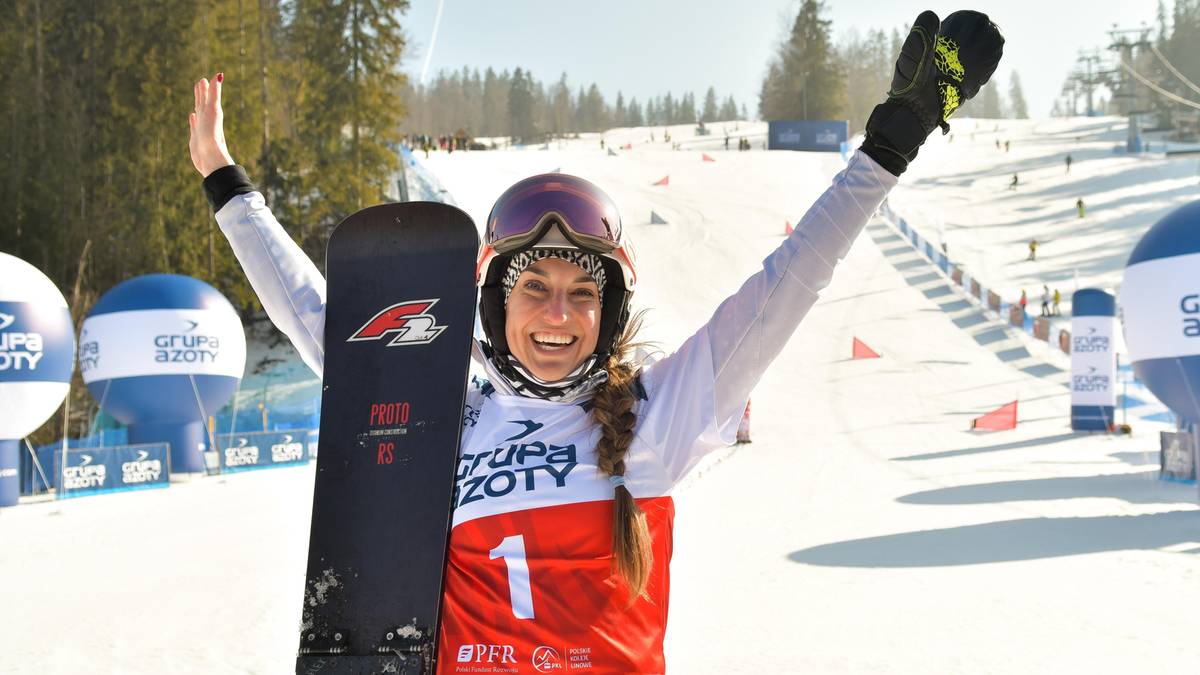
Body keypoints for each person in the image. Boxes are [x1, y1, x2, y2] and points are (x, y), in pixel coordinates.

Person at [188, 10, 1002, 672]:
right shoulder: (440, 412)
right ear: (494, 300)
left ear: (608, 315)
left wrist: (891, 143)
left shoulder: (658, 414)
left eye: (583, 294)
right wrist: (225, 180)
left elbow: (788, 282)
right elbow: (313, 316)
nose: (557, 313)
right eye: (534, 287)